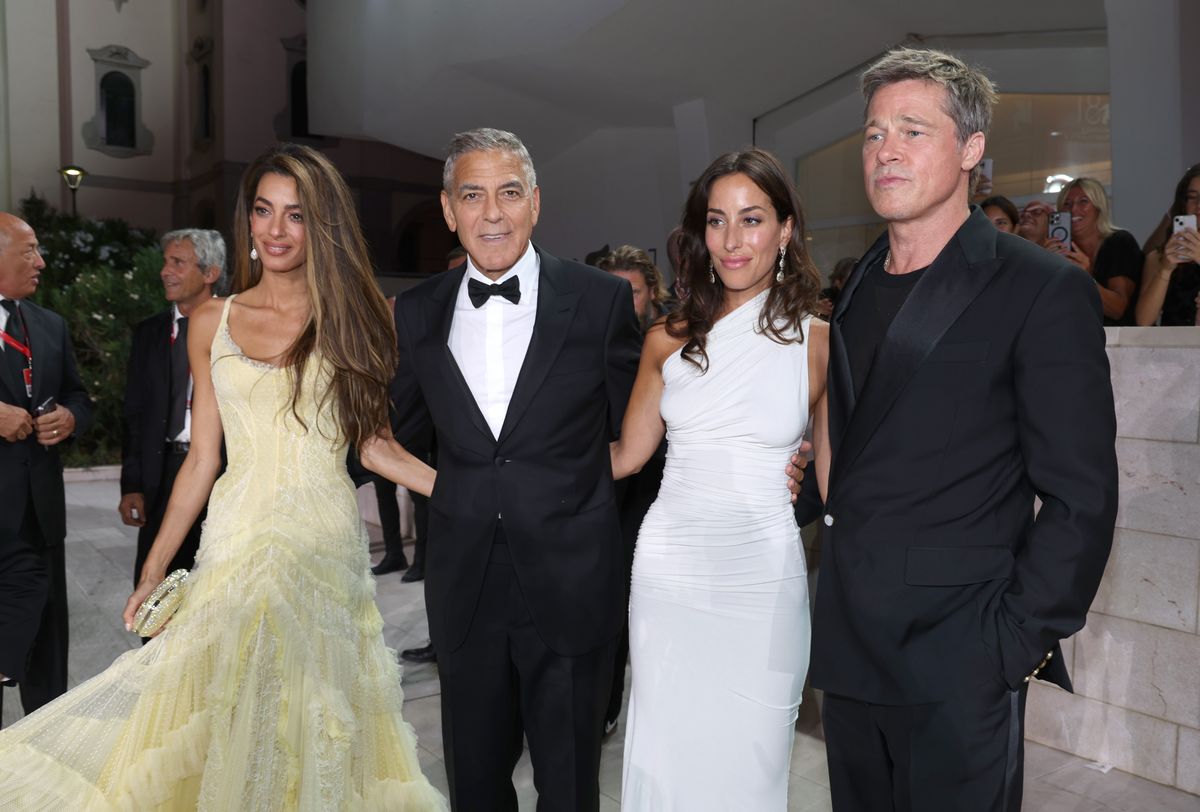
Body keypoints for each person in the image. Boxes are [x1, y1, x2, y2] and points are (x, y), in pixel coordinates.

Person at [0, 145, 446, 809]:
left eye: (295, 215)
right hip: (236, 539)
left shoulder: (363, 316)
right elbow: (203, 459)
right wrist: (153, 569)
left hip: (321, 542)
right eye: (263, 210)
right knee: (233, 707)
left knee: (309, 718)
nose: (274, 228)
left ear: (320, 224)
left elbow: (377, 446)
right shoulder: (215, 320)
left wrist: (474, 495)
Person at [811, 48, 1117, 811]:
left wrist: (1011, 644)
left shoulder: (1041, 289)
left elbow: (1082, 497)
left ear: (971, 150)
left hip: (958, 656)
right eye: (875, 133)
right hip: (850, 649)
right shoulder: (855, 287)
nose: (885, 150)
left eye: (913, 130)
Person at [362, 127, 642, 811]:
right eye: (473, 195)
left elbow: (641, 442)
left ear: (536, 203)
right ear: (449, 210)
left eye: (509, 193)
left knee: (571, 788)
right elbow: (382, 436)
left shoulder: (600, 300)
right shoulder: (417, 312)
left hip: (574, 591)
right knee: (477, 788)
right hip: (465, 596)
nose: (492, 213)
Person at [610, 148, 829, 810]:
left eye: (753, 219)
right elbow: (625, 457)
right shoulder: (666, 339)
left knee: (754, 757)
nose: (733, 241)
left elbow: (845, 476)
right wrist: (512, 466)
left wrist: (810, 469)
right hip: (670, 569)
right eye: (716, 221)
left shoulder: (819, 343)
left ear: (786, 228)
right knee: (669, 751)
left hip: (763, 574)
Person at [0, 212, 93, 724]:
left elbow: (79, 394)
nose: (41, 261)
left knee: (45, 655)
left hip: (39, 519)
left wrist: (71, 417)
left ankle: (45, 753)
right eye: (30, 250)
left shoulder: (50, 325)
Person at [120, 229, 225, 617]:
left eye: (177, 262)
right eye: (166, 262)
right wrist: (132, 483)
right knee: (154, 604)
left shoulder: (237, 327)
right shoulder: (148, 333)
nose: (165, 271)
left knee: (213, 591)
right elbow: (134, 413)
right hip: (161, 473)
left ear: (210, 272)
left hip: (223, 476)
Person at [593, 244, 671, 737]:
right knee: (606, 602)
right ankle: (604, 705)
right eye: (614, 293)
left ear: (651, 294)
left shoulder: (672, 342)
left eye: (634, 293)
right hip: (605, 488)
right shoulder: (586, 344)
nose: (625, 303)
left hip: (660, 495)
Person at [1052, 177, 1143, 325]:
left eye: (1083, 201)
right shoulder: (1059, 251)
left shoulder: (1119, 241)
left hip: (1123, 341)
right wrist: (1044, 264)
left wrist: (1085, 276)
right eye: (1067, 204)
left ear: (1099, 207)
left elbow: (1117, 309)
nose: (1074, 209)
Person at [1135, 164, 1200, 326]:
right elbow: (1143, 321)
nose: (1199, 204)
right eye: (1192, 197)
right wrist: (1164, 270)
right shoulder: (1159, 257)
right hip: (1172, 348)